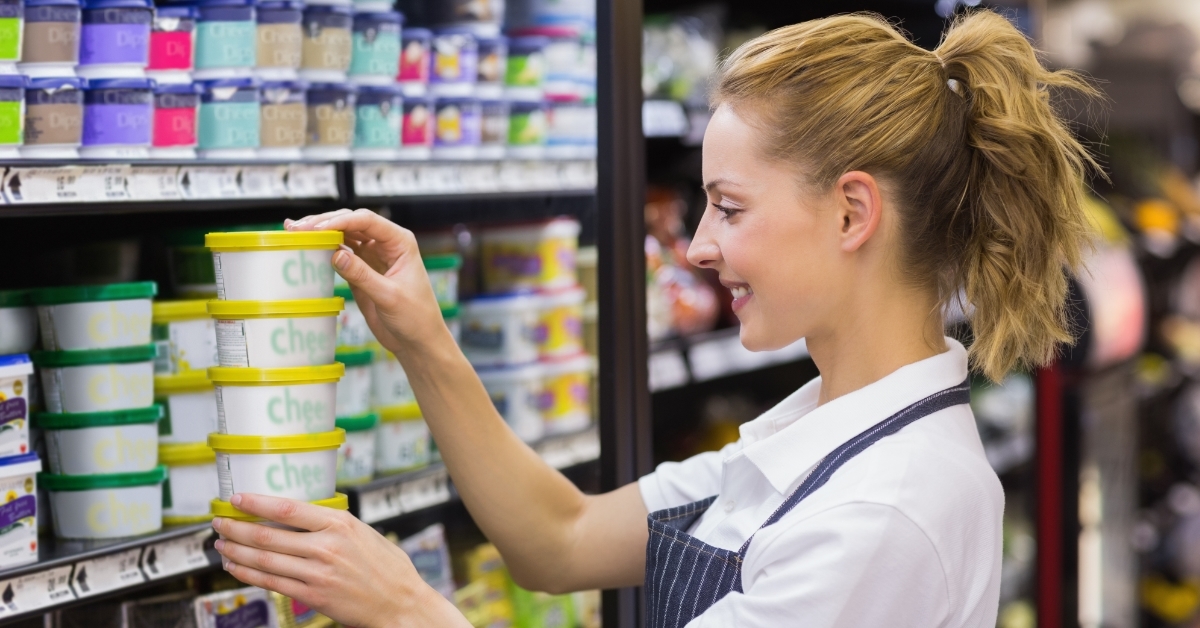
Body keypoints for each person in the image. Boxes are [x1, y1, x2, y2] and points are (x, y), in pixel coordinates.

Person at [210, 10, 1097, 627]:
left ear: (851, 214)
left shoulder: (883, 512)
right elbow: (558, 540)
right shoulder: (822, 437)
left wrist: (405, 607)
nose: (700, 248)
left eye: (730, 207)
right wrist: (423, 340)